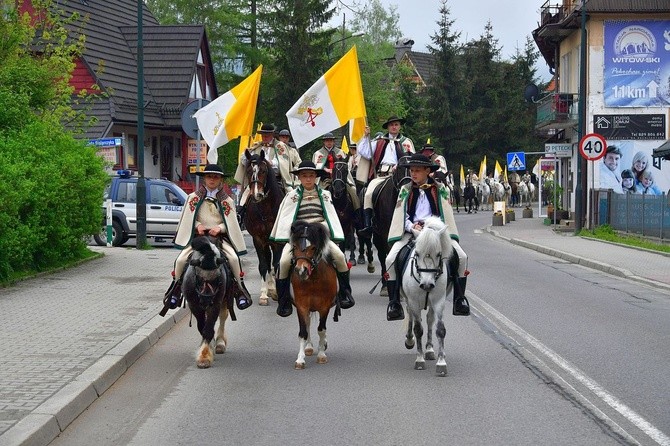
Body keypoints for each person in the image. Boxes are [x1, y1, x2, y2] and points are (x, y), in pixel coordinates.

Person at [385, 154, 469, 320]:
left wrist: (432, 227)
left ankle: (460, 298)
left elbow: (445, 214)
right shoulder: (405, 189)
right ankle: (394, 302)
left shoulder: (440, 189)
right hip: (411, 232)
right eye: (411, 170)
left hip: (436, 232)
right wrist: (411, 226)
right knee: (390, 259)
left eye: (417, 170)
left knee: (462, 256)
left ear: (427, 171)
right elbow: (401, 214)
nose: (413, 174)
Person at [162, 164, 251, 314]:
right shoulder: (193, 198)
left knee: (234, 259)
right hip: (199, 239)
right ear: (204, 178)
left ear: (221, 180)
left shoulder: (227, 200)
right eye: (209, 176)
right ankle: (176, 289)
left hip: (219, 239)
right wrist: (197, 226)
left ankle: (239, 289)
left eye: (216, 177)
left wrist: (220, 228)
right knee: (181, 260)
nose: (212, 179)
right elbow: (188, 218)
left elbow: (231, 222)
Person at [269, 160, 355, 317]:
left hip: (319, 234)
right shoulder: (291, 196)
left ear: (316, 177)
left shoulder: (325, 195)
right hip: (299, 235)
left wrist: (321, 229)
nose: (308, 179)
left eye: (311, 176)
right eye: (304, 176)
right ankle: (284, 301)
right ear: (299, 178)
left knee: (340, 256)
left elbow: (329, 217)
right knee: (283, 262)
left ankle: (345, 293)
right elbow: (288, 218)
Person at [356, 116, 416, 234]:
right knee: (368, 194)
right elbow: (364, 152)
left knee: (413, 193)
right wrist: (365, 136)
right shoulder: (379, 141)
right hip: (382, 175)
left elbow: (412, 159)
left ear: (399, 126)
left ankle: (414, 219)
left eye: (396, 124)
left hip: (401, 176)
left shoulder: (406, 142)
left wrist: (399, 166)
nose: (394, 127)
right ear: (388, 127)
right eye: (391, 125)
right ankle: (369, 225)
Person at [234, 123, 299, 218]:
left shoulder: (280, 146)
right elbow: (244, 162)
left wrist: (269, 163)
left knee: (291, 193)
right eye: (263, 135)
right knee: (244, 195)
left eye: (267, 135)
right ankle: (240, 215)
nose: (264, 137)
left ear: (272, 135)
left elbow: (283, 163)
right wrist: (246, 155)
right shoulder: (256, 146)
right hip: (258, 178)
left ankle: (294, 215)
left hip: (276, 179)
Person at [312, 132, 360, 209]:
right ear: (324, 142)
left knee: (353, 190)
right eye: (327, 141)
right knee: (317, 193)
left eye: (331, 140)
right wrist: (326, 169)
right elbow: (317, 166)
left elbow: (345, 166)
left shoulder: (340, 152)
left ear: (333, 141)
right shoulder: (318, 153)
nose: (329, 142)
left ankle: (357, 210)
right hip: (325, 180)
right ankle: (316, 211)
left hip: (340, 179)